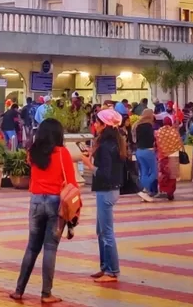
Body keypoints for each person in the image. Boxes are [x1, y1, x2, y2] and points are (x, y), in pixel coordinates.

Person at [11, 118, 76, 303]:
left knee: (32, 247)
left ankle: (19, 290)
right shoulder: (63, 153)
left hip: (36, 201)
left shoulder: (32, 152)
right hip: (56, 202)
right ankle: (46, 294)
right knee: (50, 249)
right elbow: (71, 183)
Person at [87, 109, 124, 284]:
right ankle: (105, 267)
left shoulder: (106, 146)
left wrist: (89, 165)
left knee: (106, 232)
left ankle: (112, 271)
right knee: (101, 231)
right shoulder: (115, 143)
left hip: (106, 191)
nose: (95, 125)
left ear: (104, 125)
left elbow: (105, 173)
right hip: (111, 190)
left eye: (97, 122)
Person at [154, 112, 182, 202]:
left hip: (163, 156)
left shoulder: (159, 132)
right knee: (172, 176)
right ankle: (171, 193)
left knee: (164, 174)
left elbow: (157, 143)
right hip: (174, 156)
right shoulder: (174, 131)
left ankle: (163, 190)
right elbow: (179, 143)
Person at [133, 110, 158, 203]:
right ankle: (143, 190)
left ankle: (144, 193)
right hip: (148, 151)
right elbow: (152, 139)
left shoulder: (137, 125)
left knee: (144, 171)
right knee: (154, 172)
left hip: (139, 151)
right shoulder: (149, 126)